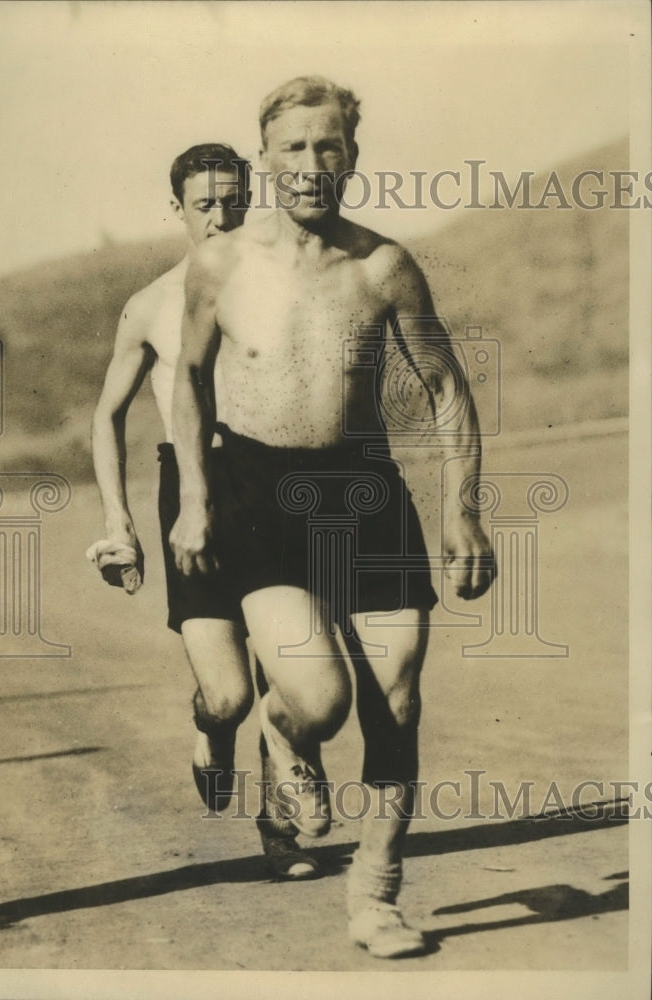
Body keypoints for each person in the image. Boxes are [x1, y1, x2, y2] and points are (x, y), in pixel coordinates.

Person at [170, 78, 496, 958]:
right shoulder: (220, 263)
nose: (311, 164)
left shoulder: (382, 266)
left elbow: (445, 387)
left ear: (351, 157)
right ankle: (283, 732)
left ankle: (376, 894)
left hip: (363, 489)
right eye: (293, 148)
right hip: (258, 492)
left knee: (396, 700)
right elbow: (190, 378)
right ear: (265, 158)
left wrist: (462, 510)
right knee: (317, 700)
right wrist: (194, 497)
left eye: (329, 147)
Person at [88, 142, 318, 880]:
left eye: (234, 201)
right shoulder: (151, 304)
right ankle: (212, 729)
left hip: (277, 485)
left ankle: (280, 831)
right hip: (192, 490)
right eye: (204, 204)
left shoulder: (285, 287)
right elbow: (107, 416)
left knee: (292, 678)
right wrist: (119, 524)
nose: (221, 216)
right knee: (228, 695)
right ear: (178, 209)